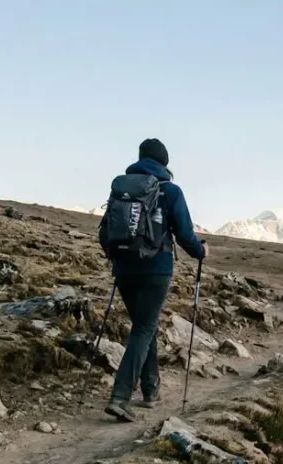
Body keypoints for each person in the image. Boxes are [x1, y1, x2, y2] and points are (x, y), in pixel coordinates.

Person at [104, 138, 206, 422]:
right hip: (155, 269)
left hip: (124, 269)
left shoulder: (121, 190)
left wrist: (116, 258)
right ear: (165, 162)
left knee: (143, 327)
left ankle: (151, 390)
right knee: (144, 328)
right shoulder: (170, 190)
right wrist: (201, 251)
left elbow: (105, 231)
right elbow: (184, 233)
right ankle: (120, 396)